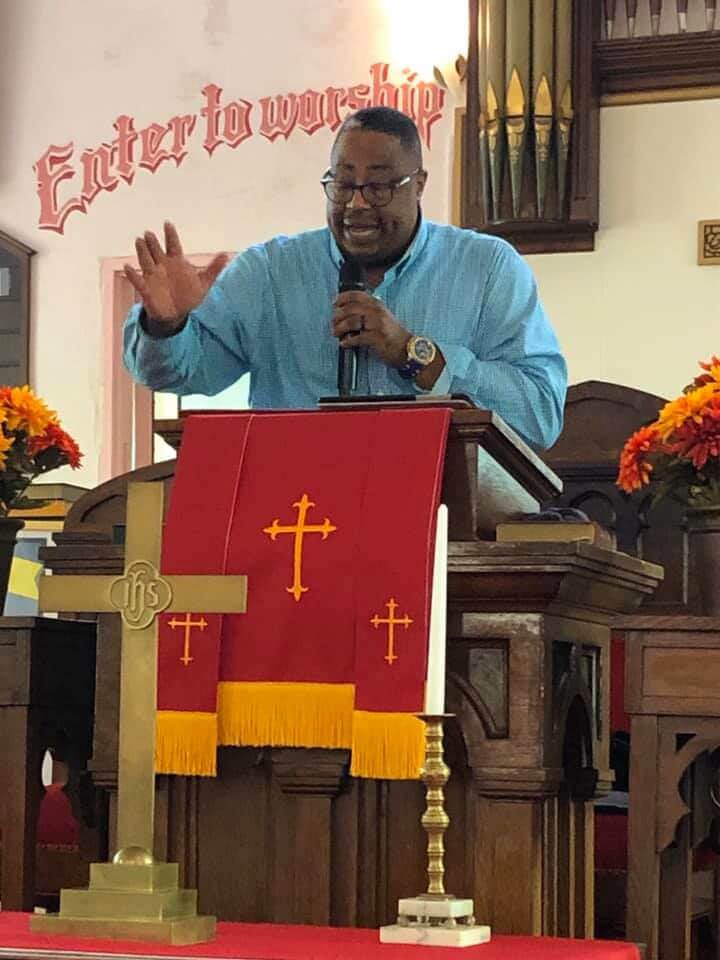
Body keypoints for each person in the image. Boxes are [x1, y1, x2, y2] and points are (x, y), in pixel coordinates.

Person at [123, 106, 566, 449]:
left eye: (378, 187)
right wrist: (166, 326)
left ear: (420, 183)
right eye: (342, 185)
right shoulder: (270, 272)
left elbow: (539, 415)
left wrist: (415, 354)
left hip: (439, 514)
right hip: (293, 515)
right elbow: (186, 373)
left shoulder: (487, 268)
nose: (355, 205)